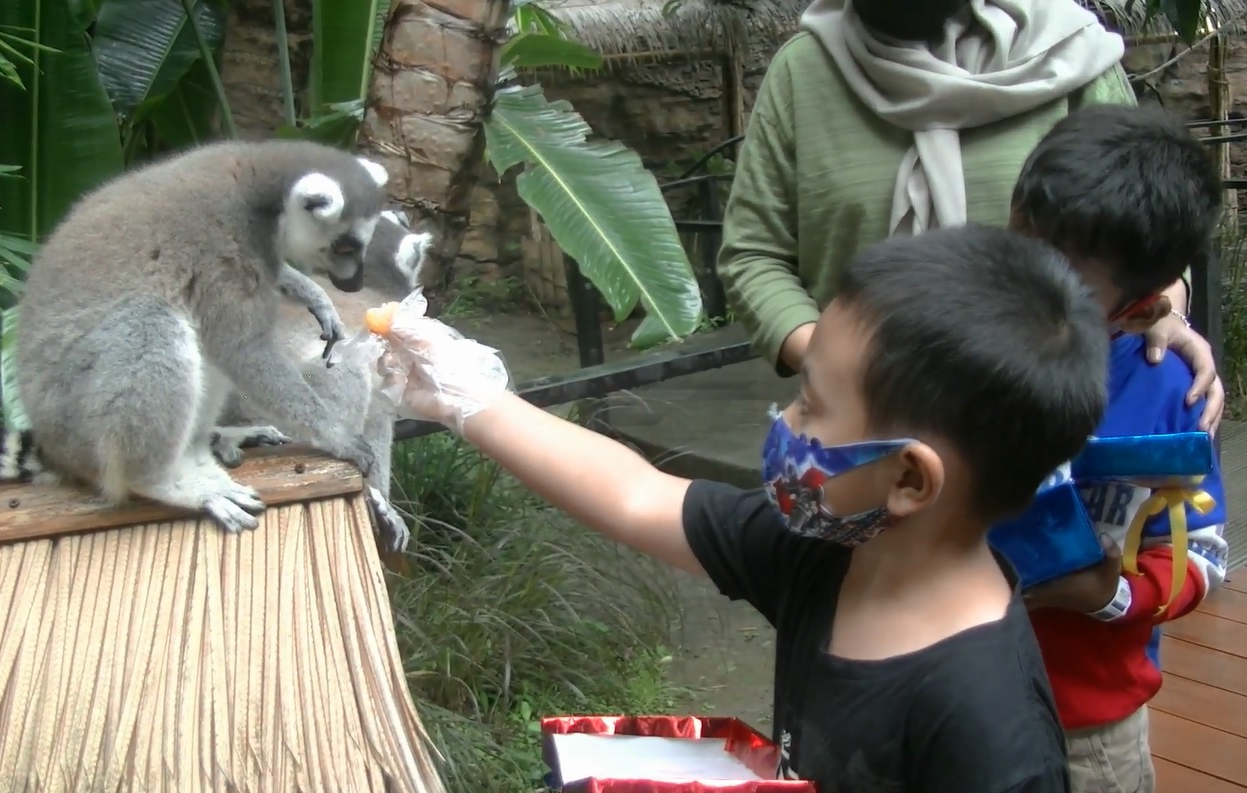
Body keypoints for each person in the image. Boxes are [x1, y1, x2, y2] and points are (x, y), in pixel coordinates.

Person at [379, 224, 1113, 792]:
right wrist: (470, 398)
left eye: (810, 404)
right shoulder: (832, 549)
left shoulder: (992, 731)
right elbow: (638, 496)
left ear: (909, 480)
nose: (783, 422)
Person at [717, 0, 1225, 433]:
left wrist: (1165, 316)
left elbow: (1147, 224)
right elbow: (754, 255)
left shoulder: (1070, 52)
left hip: (1049, 423)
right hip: (863, 427)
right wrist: (844, 368)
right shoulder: (803, 72)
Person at [1003, 104, 1230, 793]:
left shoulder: (1168, 394)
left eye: (1064, 284)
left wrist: (1110, 594)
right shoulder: (962, 352)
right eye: (1018, 250)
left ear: (1138, 309)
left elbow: (1204, 554)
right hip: (953, 684)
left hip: (1088, 720)